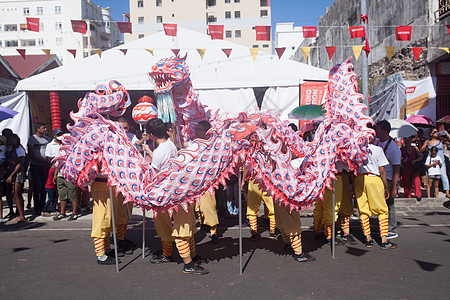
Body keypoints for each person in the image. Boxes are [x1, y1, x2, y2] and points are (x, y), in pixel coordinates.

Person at [143, 118, 208, 275]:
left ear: (151, 135)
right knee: (181, 225)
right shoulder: (171, 145)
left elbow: (156, 174)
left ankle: (188, 263)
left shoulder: (159, 151)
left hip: (167, 194)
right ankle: (177, 255)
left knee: (178, 227)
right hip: (180, 190)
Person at [354, 139, 397, 249]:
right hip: (373, 178)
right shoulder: (377, 149)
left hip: (359, 179)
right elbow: (382, 170)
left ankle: (368, 238)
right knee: (382, 210)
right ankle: (384, 240)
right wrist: (386, 187)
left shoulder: (356, 149)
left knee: (363, 210)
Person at [192, 121, 219, 244]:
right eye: (196, 129)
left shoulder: (212, 146)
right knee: (197, 206)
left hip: (207, 182)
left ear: (206, 132)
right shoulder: (193, 144)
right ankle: (202, 224)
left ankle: (214, 232)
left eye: (200, 129)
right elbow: (179, 146)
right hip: (193, 181)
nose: (197, 131)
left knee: (209, 206)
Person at [375, 120, 401, 239]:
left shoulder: (393, 148)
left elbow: (396, 169)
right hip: (379, 179)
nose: (376, 131)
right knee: (380, 205)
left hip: (389, 179)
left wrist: (394, 187)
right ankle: (382, 227)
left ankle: (391, 229)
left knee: (389, 205)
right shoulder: (377, 142)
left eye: (378, 129)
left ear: (385, 131)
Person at [242, 167, 277, 240]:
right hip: (268, 180)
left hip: (255, 180)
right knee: (272, 207)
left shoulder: (251, 155)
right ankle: (272, 231)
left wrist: (243, 180)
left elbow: (246, 167)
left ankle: (254, 232)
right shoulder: (272, 154)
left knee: (252, 208)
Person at [27, 123, 51, 215]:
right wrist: (42, 161)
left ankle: (43, 206)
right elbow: (31, 154)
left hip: (45, 166)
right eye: (43, 128)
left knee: (44, 187)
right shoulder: (32, 139)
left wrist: (47, 162)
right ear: (38, 129)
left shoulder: (47, 138)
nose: (45, 129)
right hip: (36, 165)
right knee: (37, 186)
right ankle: (37, 207)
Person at [421, 128, 450, 198]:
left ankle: (447, 192)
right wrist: (426, 145)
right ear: (431, 134)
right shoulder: (428, 141)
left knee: (443, 176)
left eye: (437, 132)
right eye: (435, 132)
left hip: (440, 161)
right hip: (431, 162)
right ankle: (432, 192)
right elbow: (421, 150)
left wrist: (446, 134)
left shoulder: (440, 140)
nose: (437, 133)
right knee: (432, 178)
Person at [5, 134, 27, 223]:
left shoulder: (19, 149)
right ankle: (13, 211)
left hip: (17, 172)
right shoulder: (10, 149)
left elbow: (20, 163)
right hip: (10, 170)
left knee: (17, 192)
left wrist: (11, 175)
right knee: (10, 193)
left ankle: (22, 215)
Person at [401, 136, 422, 201]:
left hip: (414, 165)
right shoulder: (402, 149)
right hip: (406, 165)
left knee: (416, 179)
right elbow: (400, 157)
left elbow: (420, 157)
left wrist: (415, 161)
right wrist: (402, 160)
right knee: (406, 180)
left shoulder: (415, 148)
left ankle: (418, 194)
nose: (407, 141)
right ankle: (407, 195)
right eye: (406, 140)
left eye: (409, 140)